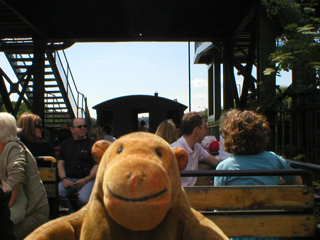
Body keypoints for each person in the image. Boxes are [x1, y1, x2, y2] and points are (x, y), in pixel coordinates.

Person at [214, 109, 302, 240]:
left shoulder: (224, 167)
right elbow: (298, 184)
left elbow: (218, 209)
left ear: (230, 138)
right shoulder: (273, 159)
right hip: (270, 233)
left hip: (237, 235)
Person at [0, 112, 49, 240]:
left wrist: (3, 211)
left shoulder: (13, 148)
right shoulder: (4, 150)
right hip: (20, 211)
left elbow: (16, 180)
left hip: (33, 214)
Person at [57, 118, 98, 213]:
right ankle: (72, 214)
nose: (83, 128)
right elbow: (60, 164)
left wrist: (86, 179)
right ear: (72, 129)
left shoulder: (92, 144)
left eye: (84, 126)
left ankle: (85, 217)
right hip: (69, 179)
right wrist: (63, 179)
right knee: (58, 193)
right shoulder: (66, 144)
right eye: (80, 127)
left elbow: (96, 165)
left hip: (87, 179)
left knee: (83, 199)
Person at [171, 112, 220, 186]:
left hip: (190, 193)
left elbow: (214, 161)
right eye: (205, 127)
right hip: (178, 195)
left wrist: (230, 164)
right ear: (197, 130)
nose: (207, 130)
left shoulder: (196, 147)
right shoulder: (175, 150)